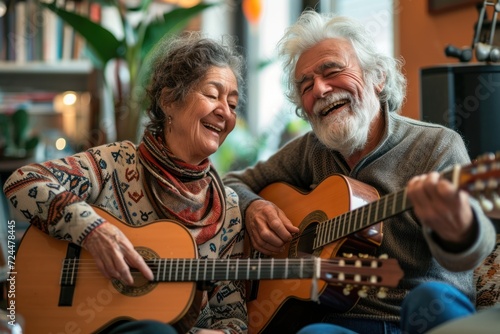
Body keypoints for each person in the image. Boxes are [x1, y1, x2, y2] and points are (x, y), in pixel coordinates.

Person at [223, 10, 497, 334]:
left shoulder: (436, 145)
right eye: (306, 85)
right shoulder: (310, 150)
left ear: (377, 77)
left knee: (427, 298)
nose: (320, 89)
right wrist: (254, 206)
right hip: (338, 320)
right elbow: (233, 182)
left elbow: (469, 253)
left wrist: (459, 229)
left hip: (419, 314)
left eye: (332, 70)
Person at [3, 32, 247, 334]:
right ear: (169, 100)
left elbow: (233, 317)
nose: (225, 111)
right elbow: (22, 182)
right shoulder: (115, 163)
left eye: (233, 104)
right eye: (212, 95)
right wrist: (93, 231)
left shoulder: (228, 210)